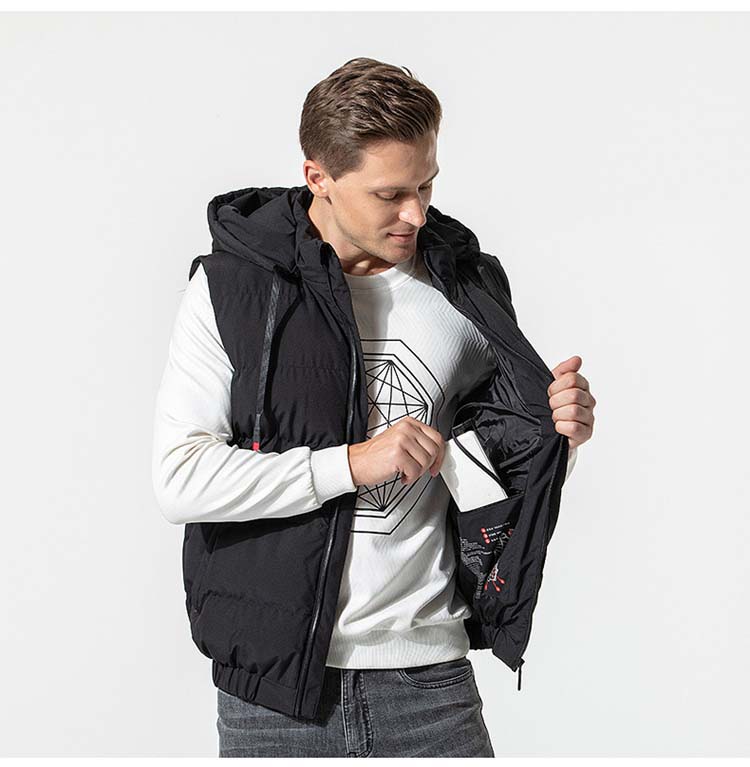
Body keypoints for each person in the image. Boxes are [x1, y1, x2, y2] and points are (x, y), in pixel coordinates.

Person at [152, 57, 596, 758]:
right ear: (318, 177)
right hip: (273, 697)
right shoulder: (232, 289)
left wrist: (557, 443)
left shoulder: (465, 288)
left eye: (426, 185)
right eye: (390, 193)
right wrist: (355, 463)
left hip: (432, 683)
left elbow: (488, 480)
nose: (415, 213)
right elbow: (180, 479)